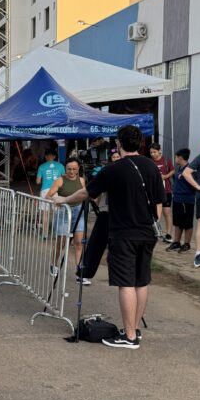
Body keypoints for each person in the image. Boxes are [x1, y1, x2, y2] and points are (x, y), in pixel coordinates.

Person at [56, 125, 164, 349]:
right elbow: (159, 204)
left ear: (118, 143)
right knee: (141, 281)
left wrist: (63, 200)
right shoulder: (152, 167)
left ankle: (129, 337)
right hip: (147, 232)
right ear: (140, 143)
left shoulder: (114, 169)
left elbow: (86, 193)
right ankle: (134, 329)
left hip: (124, 233)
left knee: (126, 283)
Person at [47, 158, 87, 285]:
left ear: (78, 169)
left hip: (78, 211)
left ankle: (80, 272)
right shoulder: (60, 180)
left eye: (74, 169)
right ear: (65, 169)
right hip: (64, 212)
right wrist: (57, 200)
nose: (71, 171)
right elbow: (49, 195)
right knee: (61, 242)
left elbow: (85, 194)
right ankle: (54, 264)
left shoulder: (82, 180)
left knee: (79, 242)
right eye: (69, 169)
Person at [81, 150, 121, 280]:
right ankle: (85, 272)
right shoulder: (107, 170)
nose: (116, 158)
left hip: (118, 213)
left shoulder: (123, 170)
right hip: (106, 209)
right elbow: (96, 191)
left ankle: (114, 267)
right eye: (114, 157)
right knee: (98, 243)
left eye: (118, 156)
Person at [166, 148, 194, 253]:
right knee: (177, 222)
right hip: (177, 199)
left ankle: (187, 244)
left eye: (176, 157)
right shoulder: (179, 168)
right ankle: (176, 242)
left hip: (187, 201)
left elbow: (194, 185)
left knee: (187, 223)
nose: (175, 159)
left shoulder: (190, 169)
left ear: (180, 158)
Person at [148, 143, 175, 242]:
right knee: (154, 213)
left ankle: (168, 234)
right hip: (153, 191)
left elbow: (173, 170)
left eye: (154, 152)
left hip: (166, 190)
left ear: (159, 151)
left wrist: (165, 176)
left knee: (167, 212)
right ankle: (155, 232)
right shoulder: (149, 162)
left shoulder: (166, 160)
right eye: (151, 152)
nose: (153, 154)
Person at [36, 149, 65, 239]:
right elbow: (64, 179)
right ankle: (57, 233)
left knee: (45, 214)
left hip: (45, 191)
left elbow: (38, 181)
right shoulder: (60, 166)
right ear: (55, 156)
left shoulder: (41, 166)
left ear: (45, 156)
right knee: (57, 213)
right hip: (57, 190)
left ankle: (45, 234)